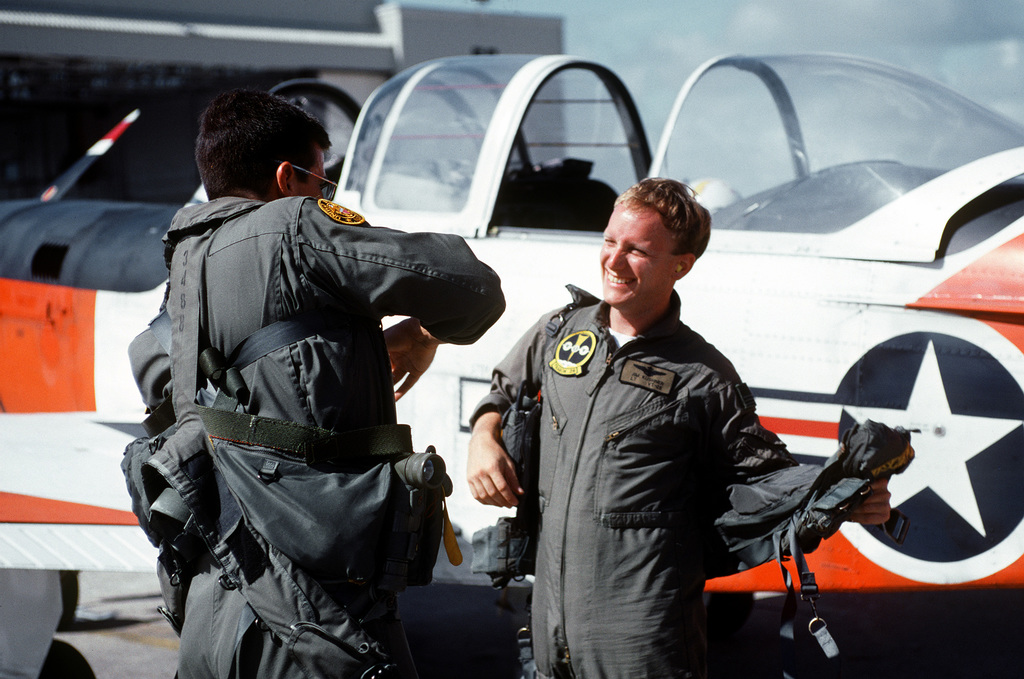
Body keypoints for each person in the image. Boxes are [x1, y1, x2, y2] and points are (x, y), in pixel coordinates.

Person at [128, 89, 505, 678]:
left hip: (214, 603)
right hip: (316, 620)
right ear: (287, 177)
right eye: (321, 183)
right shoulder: (295, 222)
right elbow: (473, 287)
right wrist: (424, 334)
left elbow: (151, 365)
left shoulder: (186, 263)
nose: (324, 197)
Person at [466, 178, 892, 679]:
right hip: (550, 622)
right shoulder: (561, 331)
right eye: (609, 241)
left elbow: (765, 479)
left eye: (637, 251)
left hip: (641, 633)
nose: (613, 261)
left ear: (681, 265)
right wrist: (483, 436)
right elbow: (503, 390)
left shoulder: (703, 376)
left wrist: (844, 494)